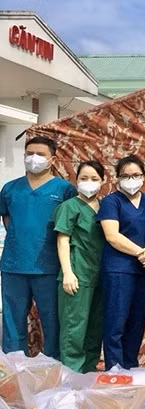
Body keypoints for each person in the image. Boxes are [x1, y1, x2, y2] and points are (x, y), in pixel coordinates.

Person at [0, 137, 77, 357]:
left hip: (49, 267)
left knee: (53, 321)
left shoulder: (64, 190)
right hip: (14, 266)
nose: (34, 158)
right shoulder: (10, 189)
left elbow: (69, 226)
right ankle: (15, 372)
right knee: (12, 323)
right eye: (29, 153)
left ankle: (53, 370)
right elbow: (7, 219)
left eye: (40, 154)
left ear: (52, 159)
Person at [98, 155, 145, 370]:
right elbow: (112, 236)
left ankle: (130, 366)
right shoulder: (111, 202)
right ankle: (115, 370)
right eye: (125, 176)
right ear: (117, 178)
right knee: (116, 322)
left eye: (136, 175)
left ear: (144, 176)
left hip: (144, 270)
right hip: (118, 269)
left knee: (137, 321)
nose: (131, 179)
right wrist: (141, 253)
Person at [53, 160, 107, 373]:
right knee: (74, 329)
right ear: (76, 181)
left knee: (95, 328)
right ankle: (71, 376)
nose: (89, 183)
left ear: (103, 181)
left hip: (99, 275)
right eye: (83, 178)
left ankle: (89, 371)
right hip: (77, 274)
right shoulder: (69, 207)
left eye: (94, 179)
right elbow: (62, 240)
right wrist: (68, 272)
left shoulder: (105, 207)